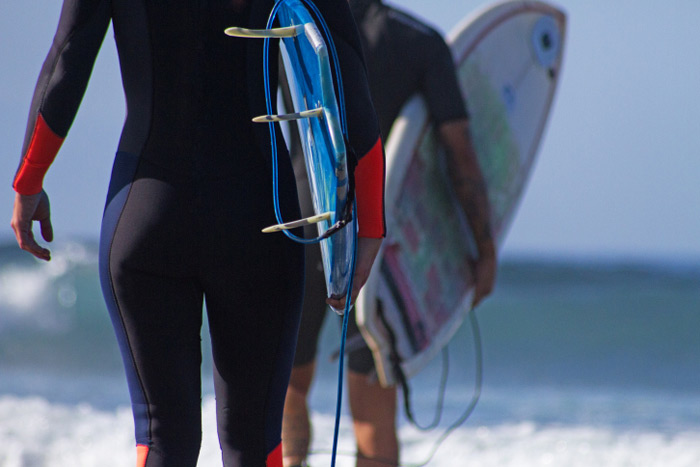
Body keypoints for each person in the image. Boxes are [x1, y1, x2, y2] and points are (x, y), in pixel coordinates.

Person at [9, 1, 385, 466]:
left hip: (144, 212)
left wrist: (29, 181)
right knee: (253, 440)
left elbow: (67, 57)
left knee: (163, 435)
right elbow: (347, 74)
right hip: (259, 217)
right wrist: (370, 226)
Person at [281, 1, 496, 466]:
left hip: (301, 222)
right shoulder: (418, 42)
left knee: (288, 386)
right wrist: (485, 250)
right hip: (380, 243)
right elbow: (459, 153)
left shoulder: (295, 25)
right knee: (373, 400)